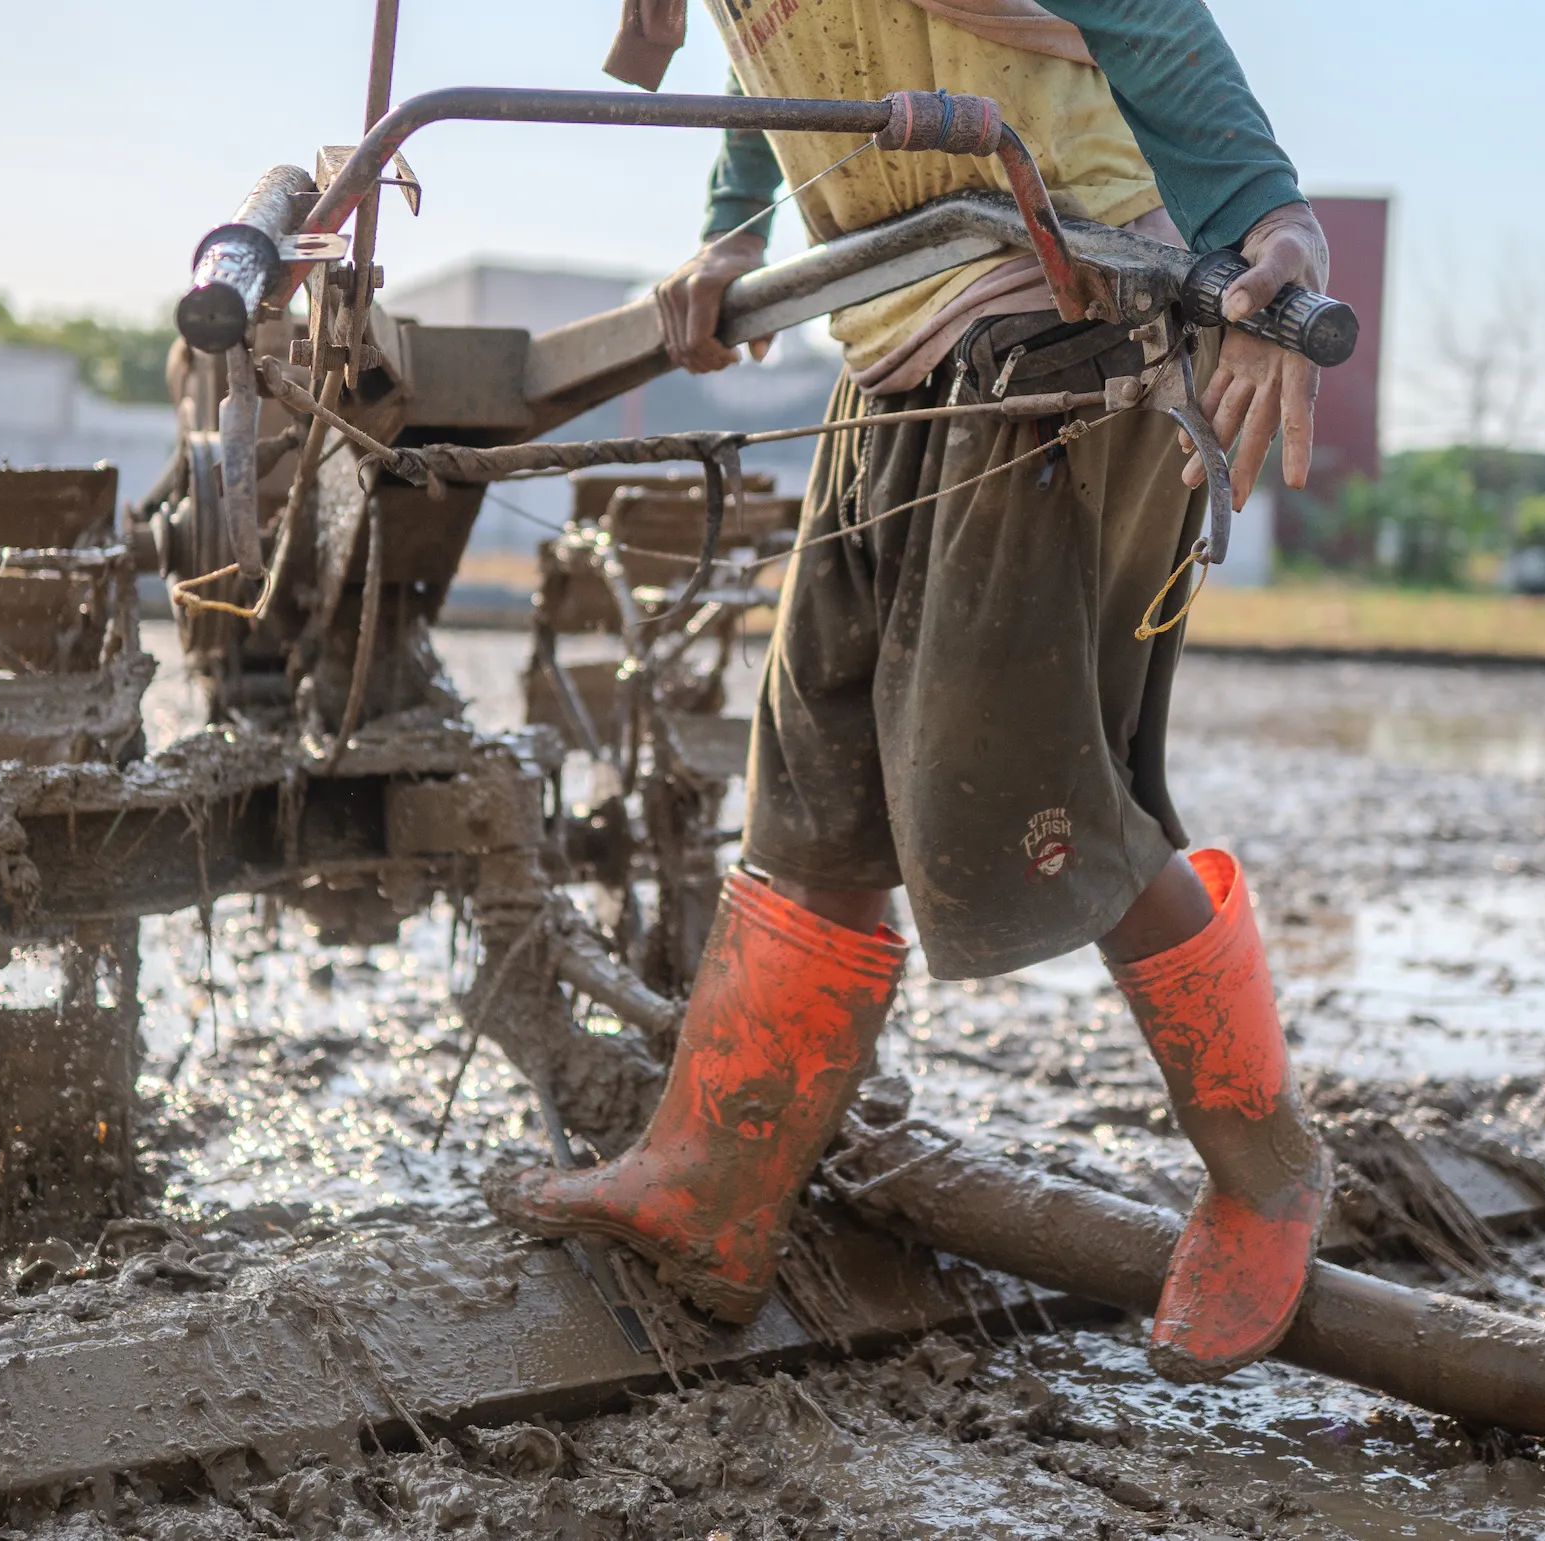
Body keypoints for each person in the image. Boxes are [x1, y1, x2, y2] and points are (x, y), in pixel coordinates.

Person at [500, 0, 1331, 1384]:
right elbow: (779, 55)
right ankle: (711, 1188)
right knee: (810, 787)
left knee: (1033, 791)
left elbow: (1146, 18)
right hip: (888, 340)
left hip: (1063, 326)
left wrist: (1269, 225)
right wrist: (731, 227)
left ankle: (1266, 1170)